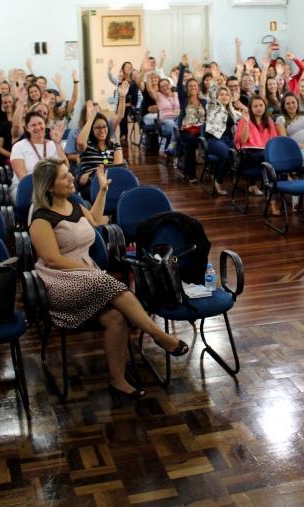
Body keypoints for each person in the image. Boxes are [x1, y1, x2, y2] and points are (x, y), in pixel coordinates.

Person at [29, 158, 188, 402]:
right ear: (48, 186)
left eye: (68, 173)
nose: (71, 177)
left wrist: (102, 190)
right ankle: (157, 334)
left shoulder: (73, 204)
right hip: (60, 284)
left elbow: (95, 220)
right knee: (107, 282)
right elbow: (52, 259)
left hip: (88, 279)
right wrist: (90, 272)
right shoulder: (41, 218)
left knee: (116, 318)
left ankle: (118, 381)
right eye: (64, 176)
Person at [76, 104, 124, 195]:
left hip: (110, 182)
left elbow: (117, 169)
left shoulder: (115, 146)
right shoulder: (87, 145)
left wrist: (92, 172)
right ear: (91, 130)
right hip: (91, 185)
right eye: (98, 127)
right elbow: (80, 143)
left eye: (104, 126)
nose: (102, 130)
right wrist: (90, 120)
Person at [234, 95, 276, 197]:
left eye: (261, 105)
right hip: (248, 156)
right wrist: (247, 122)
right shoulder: (244, 120)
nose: (259, 108)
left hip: (264, 153)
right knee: (266, 157)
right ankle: (272, 188)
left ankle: (273, 187)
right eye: (255, 106)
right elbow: (242, 140)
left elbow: (274, 140)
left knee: (270, 156)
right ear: (251, 108)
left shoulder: (269, 121)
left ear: (265, 106)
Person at [10, 112, 64, 187]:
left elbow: (65, 168)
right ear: (27, 128)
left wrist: (58, 144)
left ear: (45, 125)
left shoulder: (53, 144)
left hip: (53, 186)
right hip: (26, 187)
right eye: (33, 125)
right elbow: (22, 176)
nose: (38, 127)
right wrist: (42, 189)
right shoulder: (19, 146)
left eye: (40, 123)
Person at [204, 87, 239, 196]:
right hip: (214, 140)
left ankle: (250, 184)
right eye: (221, 94)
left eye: (226, 95)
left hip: (228, 140)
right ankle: (218, 181)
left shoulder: (231, 110)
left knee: (244, 154)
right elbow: (210, 97)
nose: (224, 97)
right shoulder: (212, 107)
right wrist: (214, 83)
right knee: (227, 154)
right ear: (217, 97)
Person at [176, 57, 206, 183]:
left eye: (195, 85)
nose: (193, 87)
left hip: (201, 130)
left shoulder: (204, 101)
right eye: (190, 86)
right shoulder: (184, 99)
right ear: (187, 88)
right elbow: (178, 85)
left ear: (198, 87)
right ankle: (191, 174)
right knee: (191, 143)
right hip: (186, 130)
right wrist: (182, 66)